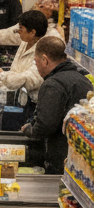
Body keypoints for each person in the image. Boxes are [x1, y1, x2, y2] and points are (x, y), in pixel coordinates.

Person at [23, 36, 92, 173]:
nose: (36, 66)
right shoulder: (83, 80)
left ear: (45, 60)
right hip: (82, 157)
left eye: (36, 62)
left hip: (60, 159)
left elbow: (45, 125)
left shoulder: (53, 84)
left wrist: (28, 129)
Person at [0, 10, 47, 100]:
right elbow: (16, 74)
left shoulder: (43, 52)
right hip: (15, 97)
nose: (17, 31)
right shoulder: (25, 43)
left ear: (32, 32)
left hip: (30, 104)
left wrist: (0, 75)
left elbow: (27, 81)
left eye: (21, 28)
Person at [0, 0, 65, 46]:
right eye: (36, 4)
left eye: (40, 6)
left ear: (50, 12)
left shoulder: (52, 35)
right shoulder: (28, 23)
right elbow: (7, 34)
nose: (35, 7)